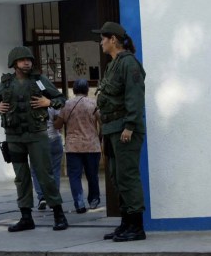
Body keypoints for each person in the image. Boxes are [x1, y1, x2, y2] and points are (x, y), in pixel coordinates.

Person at [0, 46, 68, 232]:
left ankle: (59, 215)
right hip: (14, 138)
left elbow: (61, 99)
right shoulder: (6, 84)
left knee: (45, 175)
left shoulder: (40, 81)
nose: (27, 62)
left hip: (37, 136)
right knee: (21, 178)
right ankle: (26, 217)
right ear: (14, 63)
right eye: (23, 60)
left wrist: (49, 102)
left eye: (29, 60)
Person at [92, 22, 147, 242]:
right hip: (112, 129)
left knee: (128, 176)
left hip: (125, 129)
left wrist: (130, 126)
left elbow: (135, 96)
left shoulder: (129, 64)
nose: (101, 42)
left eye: (103, 38)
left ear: (113, 39)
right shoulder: (112, 65)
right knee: (117, 176)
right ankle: (126, 224)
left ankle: (136, 227)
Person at [54, 78, 101, 213]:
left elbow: (58, 125)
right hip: (92, 146)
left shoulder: (67, 105)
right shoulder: (93, 104)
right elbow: (102, 121)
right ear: (87, 89)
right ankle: (93, 200)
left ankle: (79, 203)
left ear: (74, 90)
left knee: (74, 176)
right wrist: (100, 136)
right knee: (92, 175)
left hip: (73, 147)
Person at [31, 107, 63, 211]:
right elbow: (58, 123)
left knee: (36, 170)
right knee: (55, 170)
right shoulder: (52, 103)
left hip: (36, 140)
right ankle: (54, 199)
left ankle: (42, 197)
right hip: (54, 138)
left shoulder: (29, 102)